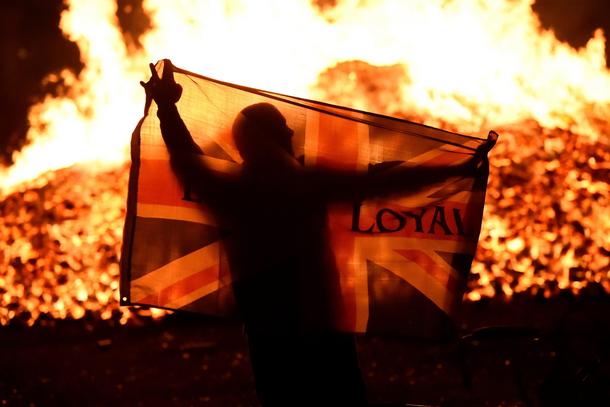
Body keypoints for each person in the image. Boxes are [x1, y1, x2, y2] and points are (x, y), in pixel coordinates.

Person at [141, 60, 486, 406]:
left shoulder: (230, 191)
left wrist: (168, 108)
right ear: (269, 137)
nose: (291, 134)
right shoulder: (302, 185)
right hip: (317, 327)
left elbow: (187, 159)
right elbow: (382, 184)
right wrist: (455, 169)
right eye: (281, 127)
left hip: (268, 331)